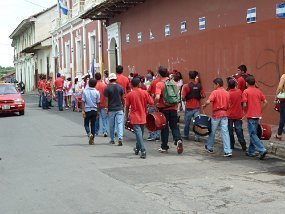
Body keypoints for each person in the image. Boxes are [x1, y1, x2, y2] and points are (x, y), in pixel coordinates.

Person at [155, 66, 183, 154]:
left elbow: (157, 97)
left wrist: (155, 102)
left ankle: (164, 146)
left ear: (159, 74)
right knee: (174, 125)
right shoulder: (174, 83)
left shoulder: (159, 84)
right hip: (173, 108)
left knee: (164, 127)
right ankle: (178, 139)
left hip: (163, 108)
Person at [202, 78, 232, 157]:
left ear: (217, 84)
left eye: (214, 84)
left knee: (212, 131)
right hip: (225, 114)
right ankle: (228, 150)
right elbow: (229, 106)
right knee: (225, 132)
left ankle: (210, 147)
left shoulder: (215, 92)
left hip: (216, 114)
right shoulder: (227, 93)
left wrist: (204, 106)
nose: (213, 86)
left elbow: (208, 101)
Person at [125, 77, 154, 159]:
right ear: (139, 84)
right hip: (143, 115)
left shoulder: (129, 94)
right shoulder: (145, 93)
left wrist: (126, 117)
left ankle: (142, 149)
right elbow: (151, 102)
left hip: (134, 116)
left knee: (139, 134)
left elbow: (127, 107)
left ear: (131, 85)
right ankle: (137, 149)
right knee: (139, 133)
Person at [242, 76, 268, 160]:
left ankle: (262, 149)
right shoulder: (258, 91)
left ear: (247, 83)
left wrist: (245, 111)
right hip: (257, 115)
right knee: (254, 133)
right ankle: (251, 151)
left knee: (252, 134)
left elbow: (245, 104)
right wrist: (260, 110)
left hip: (250, 115)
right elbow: (265, 102)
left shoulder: (246, 91)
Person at [182, 71, 205, 142]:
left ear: (189, 76)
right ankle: (197, 137)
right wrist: (197, 96)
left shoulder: (186, 86)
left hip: (189, 107)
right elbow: (204, 96)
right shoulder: (199, 86)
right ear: (195, 76)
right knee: (197, 123)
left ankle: (186, 135)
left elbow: (183, 97)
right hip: (197, 107)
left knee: (187, 123)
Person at [104, 73, 125, 146]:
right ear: (116, 79)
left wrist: (106, 109)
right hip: (119, 108)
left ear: (109, 80)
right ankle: (120, 138)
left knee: (111, 125)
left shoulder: (107, 88)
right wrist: (123, 106)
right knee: (119, 124)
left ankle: (112, 139)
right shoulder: (120, 87)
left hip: (111, 109)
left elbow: (106, 100)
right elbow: (123, 98)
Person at [226, 78, 247, 150]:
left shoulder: (228, 93)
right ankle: (243, 144)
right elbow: (243, 102)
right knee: (239, 130)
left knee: (230, 130)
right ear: (235, 85)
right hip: (238, 114)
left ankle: (231, 144)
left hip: (229, 115)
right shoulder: (239, 92)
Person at [82, 78, 100, 145]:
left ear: (88, 83)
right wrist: (98, 111)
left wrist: (83, 111)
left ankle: (89, 134)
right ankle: (92, 140)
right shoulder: (97, 92)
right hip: (94, 110)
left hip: (87, 110)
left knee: (86, 124)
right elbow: (98, 102)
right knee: (93, 124)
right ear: (95, 84)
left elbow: (83, 102)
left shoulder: (85, 91)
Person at [146, 71, 161, 141]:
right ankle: (158, 135)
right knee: (159, 120)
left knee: (151, 119)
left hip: (153, 103)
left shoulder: (154, 82)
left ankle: (152, 135)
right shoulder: (167, 82)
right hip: (163, 105)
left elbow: (147, 92)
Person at [94, 72, 108, 137]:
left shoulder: (94, 86)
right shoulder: (104, 85)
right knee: (104, 118)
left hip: (96, 105)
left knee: (96, 118)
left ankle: (96, 131)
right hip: (103, 104)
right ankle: (104, 131)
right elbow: (106, 96)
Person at [275, 73, 285, 140]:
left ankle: (279, 134)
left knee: (282, 117)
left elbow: (279, 87)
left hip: (284, 100)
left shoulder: (284, 76)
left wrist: (276, 97)